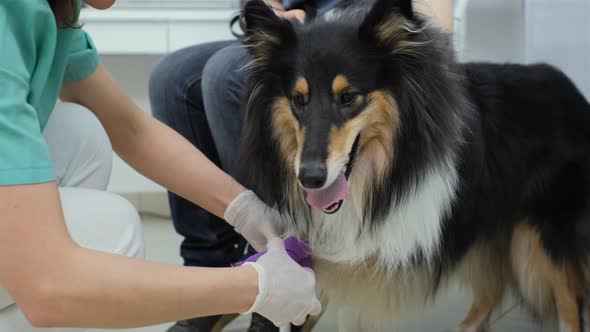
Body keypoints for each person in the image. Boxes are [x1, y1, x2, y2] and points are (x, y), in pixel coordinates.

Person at [0, 0, 322, 331]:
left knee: (81, 133)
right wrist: (253, 287)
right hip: (46, 287)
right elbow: (49, 286)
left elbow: (130, 129)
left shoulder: (54, 10)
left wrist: (243, 208)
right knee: (111, 228)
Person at [149, 0, 453, 331]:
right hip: (303, 25)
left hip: (369, 19)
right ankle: (211, 267)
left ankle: (283, 271)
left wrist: (430, 28)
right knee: (172, 78)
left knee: (225, 75)